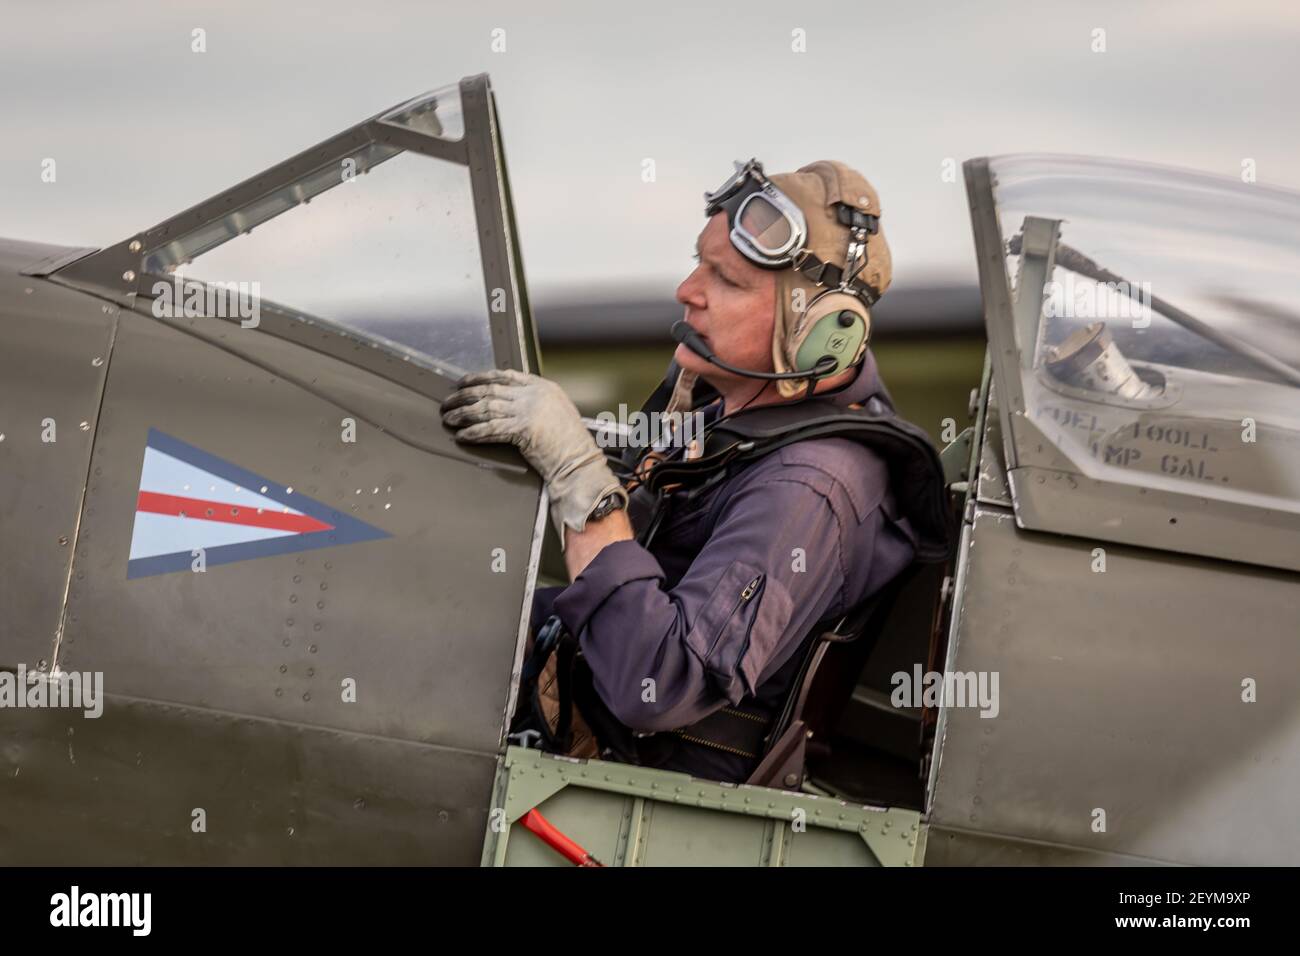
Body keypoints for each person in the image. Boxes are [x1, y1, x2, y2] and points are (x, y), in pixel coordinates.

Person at [441, 159, 950, 783]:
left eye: (727, 281)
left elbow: (656, 685)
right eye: (698, 262)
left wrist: (579, 478)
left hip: (627, 786)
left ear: (821, 333)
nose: (688, 290)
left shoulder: (807, 487)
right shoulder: (729, 422)